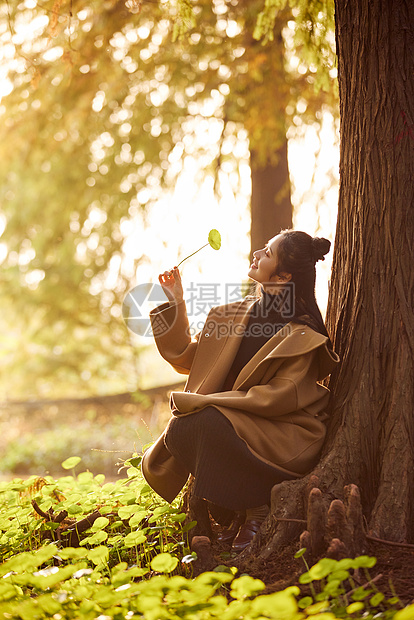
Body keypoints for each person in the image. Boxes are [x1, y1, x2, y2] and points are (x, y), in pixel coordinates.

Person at [141, 229, 340, 552]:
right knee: (182, 429)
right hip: (230, 419)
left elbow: (280, 397)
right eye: (261, 248)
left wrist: (211, 403)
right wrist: (176, 301)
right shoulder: (232, 314)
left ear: (285, 274)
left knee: (205, 420)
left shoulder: (303, 334)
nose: (257, 254)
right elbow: (184, 357)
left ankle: (257, 509)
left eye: (267, 253)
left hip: (281, 430)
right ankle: (234, 510)